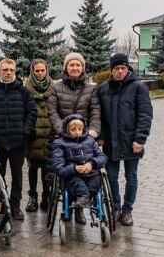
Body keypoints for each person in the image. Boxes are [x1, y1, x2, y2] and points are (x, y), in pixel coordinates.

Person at [96, 53, 153, 227]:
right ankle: (115, 208)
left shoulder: (138, 87)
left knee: (131, 176)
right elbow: (99, 116)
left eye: (123, 68)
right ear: (111, 70)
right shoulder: (103, 89)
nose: (120, 71)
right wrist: (101, 137)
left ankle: (127, 210)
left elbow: (145, 115)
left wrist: (140, 139)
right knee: (111, 177)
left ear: (128, 68)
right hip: (110, 142)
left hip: (131, 141)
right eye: (117, 69)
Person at [47, 52, 101, 224]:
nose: (75, 68)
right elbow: (52, 112)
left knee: (89, 172)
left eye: (78, 65)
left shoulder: (90, 89)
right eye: (72, 65)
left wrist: (93, 131)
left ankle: (80, 208)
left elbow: (95, 112)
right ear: (66, 67)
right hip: (62, 139)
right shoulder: (56, 88)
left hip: (84, 139)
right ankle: (68, 207)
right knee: (66, 171)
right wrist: (63, 130)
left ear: (83, 68)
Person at [0, 58, 36, 220]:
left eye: (11, 70)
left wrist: (24, 131)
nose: (8, 72)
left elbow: (31, 113)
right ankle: (2, 204)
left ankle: (15, 206)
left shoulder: (24, 92)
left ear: (15, 71)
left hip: (18, 143)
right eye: (5, 70)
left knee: (18, 177)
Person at [50, 114, 108, 212]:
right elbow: (58, 166)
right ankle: (84, 198)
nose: (77, 132)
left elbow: (103, 157)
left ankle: (86, 199)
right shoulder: (60, 143)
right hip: (73, 175)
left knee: (95, 184)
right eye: (73, 129)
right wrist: (74, 168)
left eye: (79, 129)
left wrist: (91, 163)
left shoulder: (90, 140)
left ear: (83, 129)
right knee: (77, 184)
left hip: (91, 173)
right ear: (67, 130)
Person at [23, 58, 53, 212]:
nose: (40, 73)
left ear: (46, 71)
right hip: (33, 135)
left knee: (47, 169)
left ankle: (46, 197)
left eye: (43, 70)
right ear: (32, 72)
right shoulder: (25, 88)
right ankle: (32, 197)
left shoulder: (53, 87)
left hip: (49, 134)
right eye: (37, 71)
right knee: (33, 167)